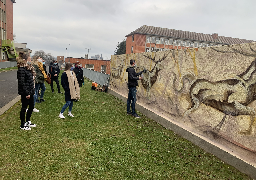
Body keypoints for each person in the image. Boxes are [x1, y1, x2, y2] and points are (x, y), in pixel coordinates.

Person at [17, 52, 37, 130]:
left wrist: (32, 90)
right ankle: (22, 125)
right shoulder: (21, 69)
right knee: (24, 108)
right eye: (29, 58)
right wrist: (27, 93)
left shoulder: (28, 68)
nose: (31, 60)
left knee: (31, 106)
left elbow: (30, 80)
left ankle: (28, 121)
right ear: (25, 60)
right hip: (25, 92)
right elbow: (22, 82)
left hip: (31, 91)